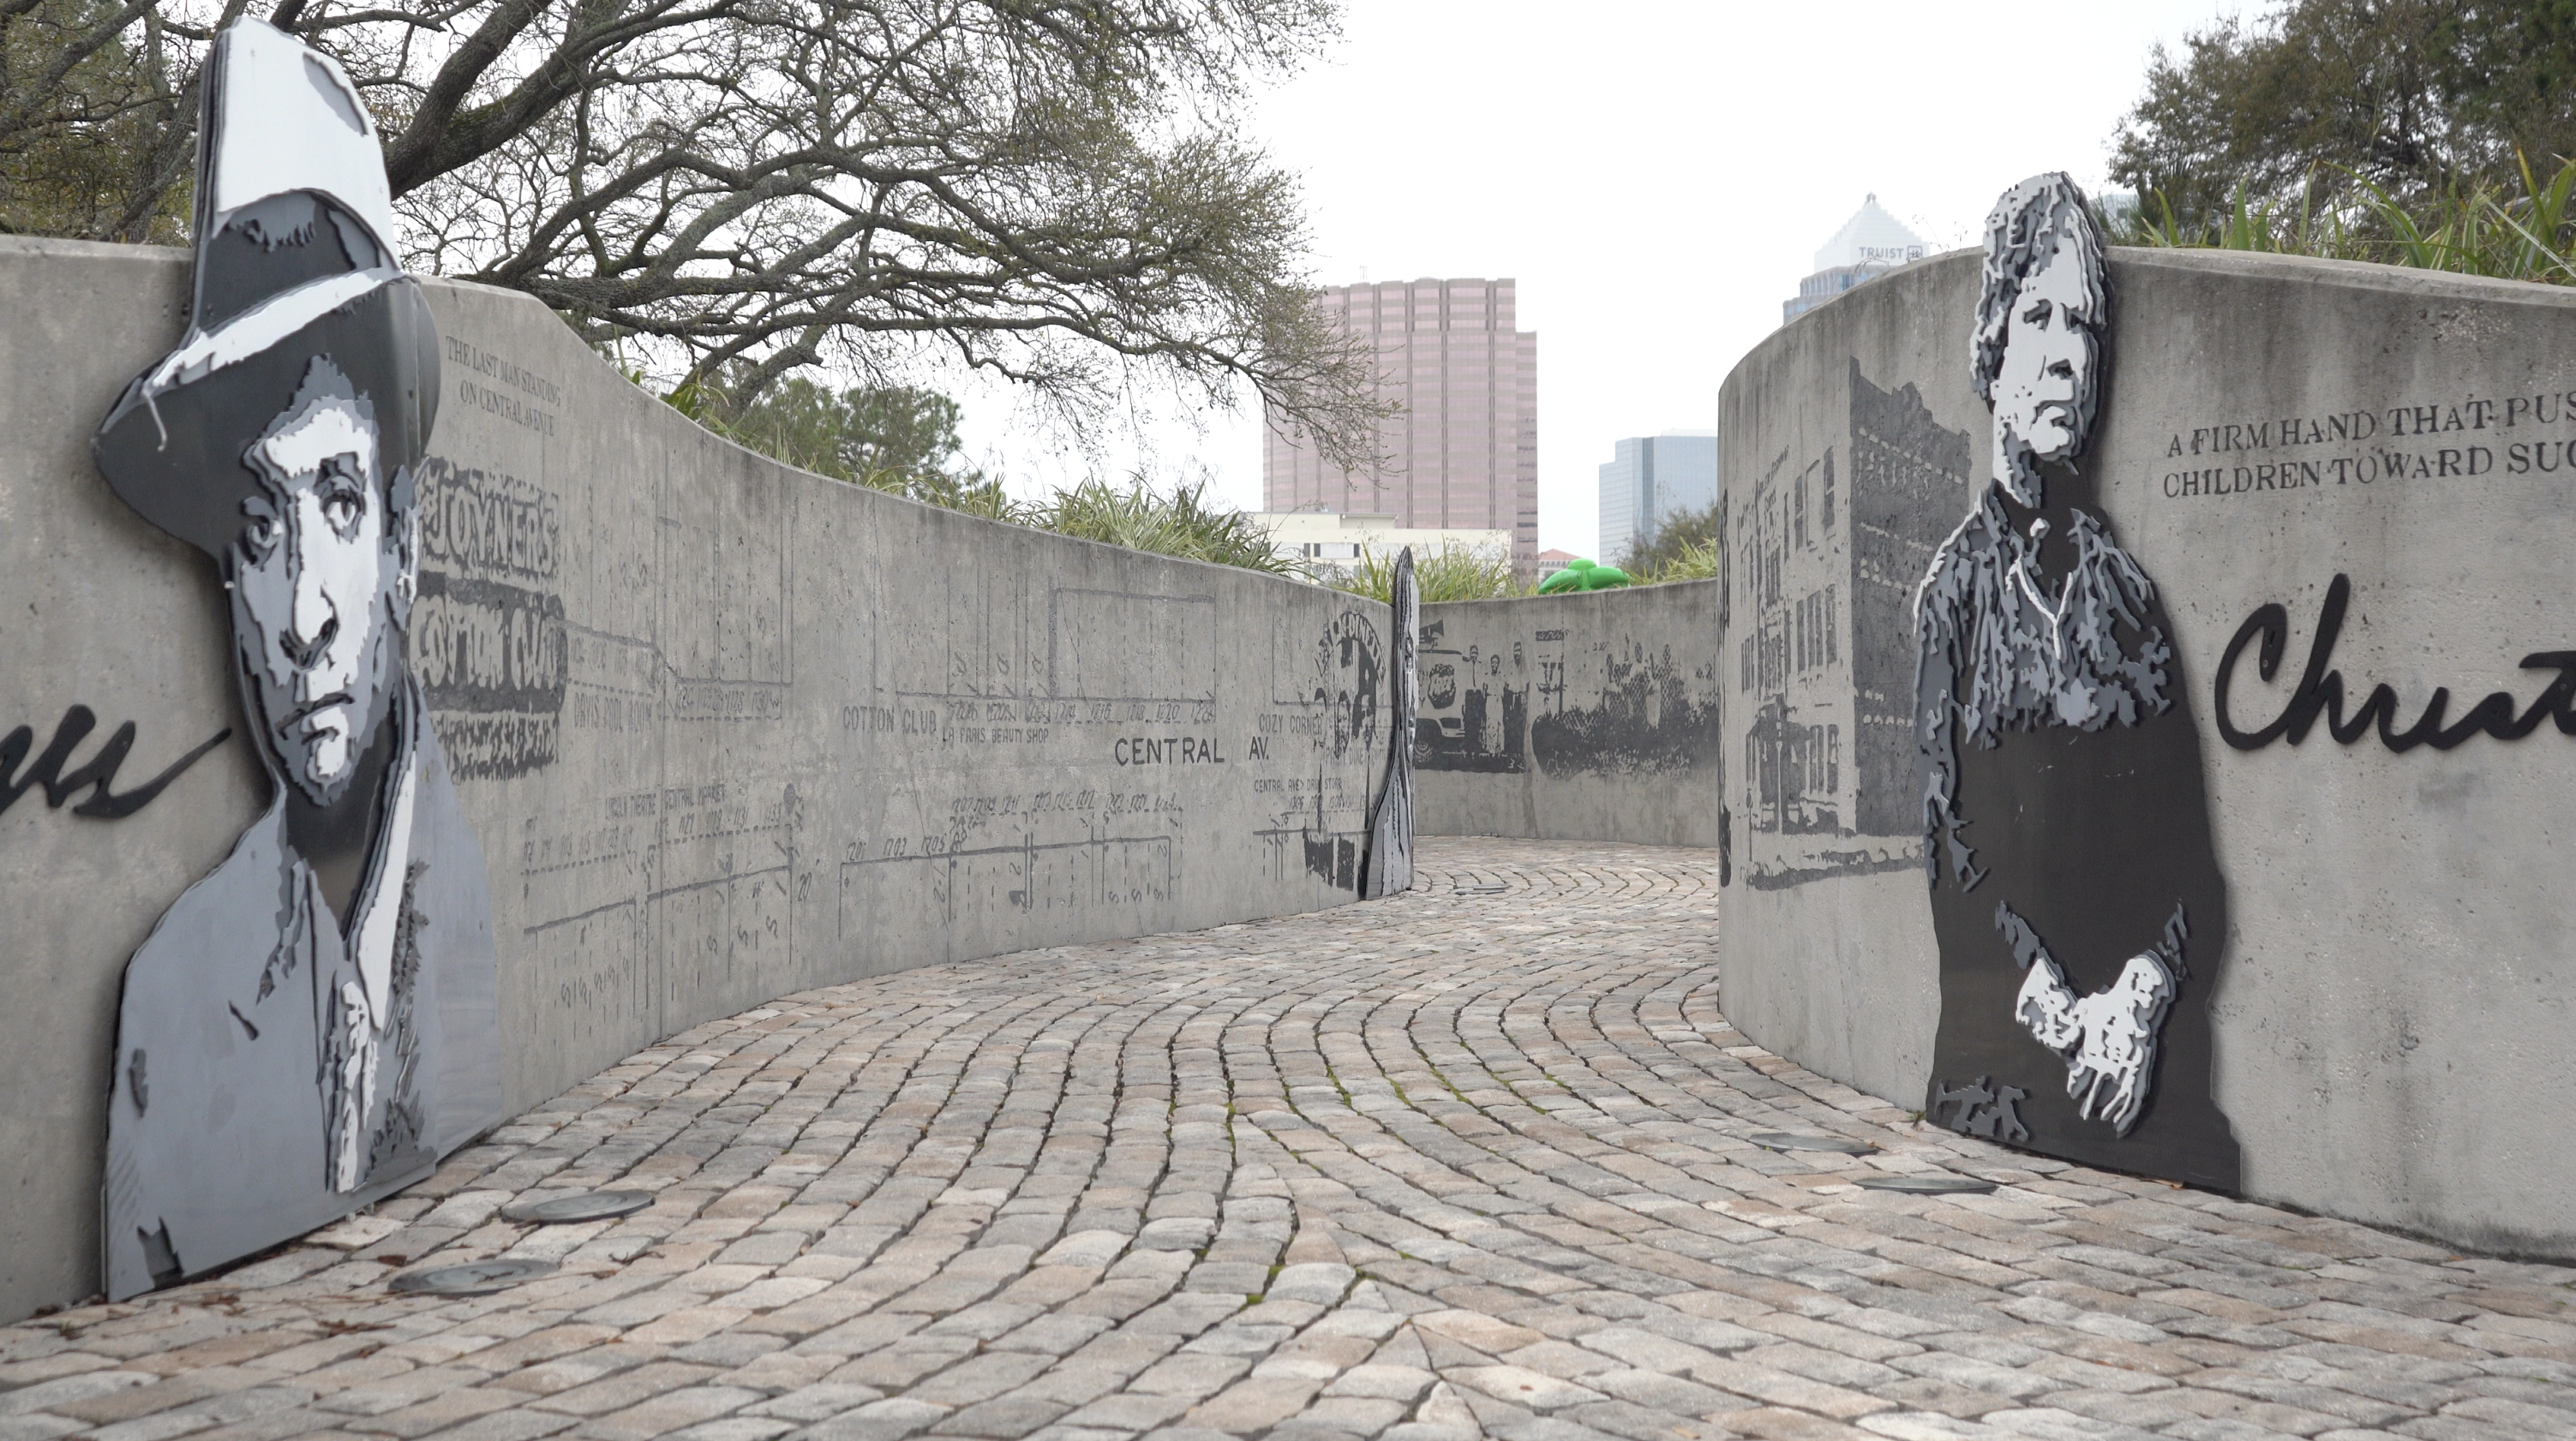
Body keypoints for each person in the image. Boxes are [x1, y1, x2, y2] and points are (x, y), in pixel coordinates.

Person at [90, 17, 500, 1299]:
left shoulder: (472, 907)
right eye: (259, 525)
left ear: (405, 540)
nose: (300, 611)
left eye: (336, 500)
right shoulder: (173, 1000)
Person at [1913, 173, 2240, 1190]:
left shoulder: (2134, 599)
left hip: (2150, 1089)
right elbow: (1943, 843)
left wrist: (2137, 1002)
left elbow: (2194, 864)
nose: (2066, 352)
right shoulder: (1952, 594)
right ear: (1993, 347)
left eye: (2087, 326)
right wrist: (2058, 1010)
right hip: (1998, 1086)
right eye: (2040, 315)